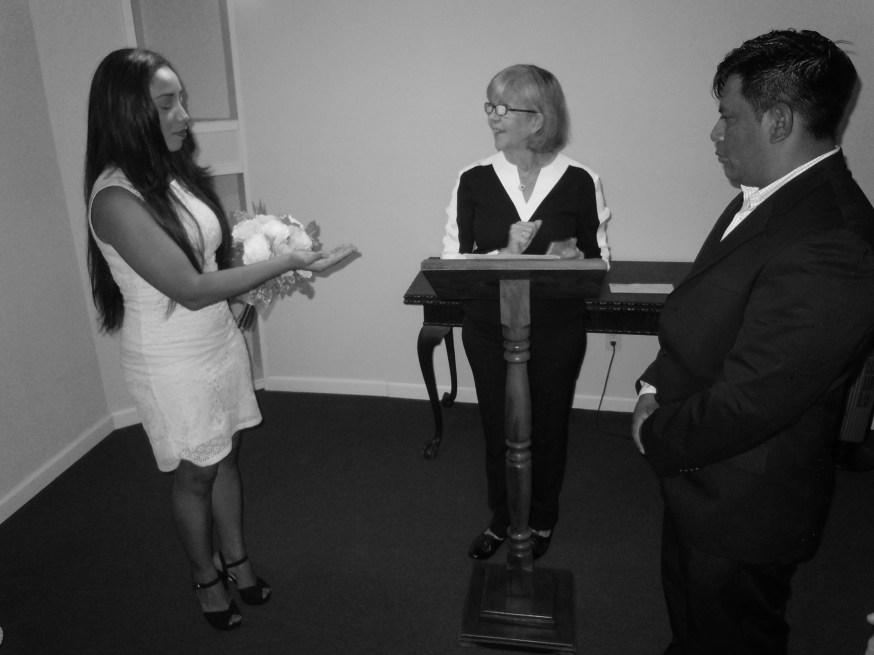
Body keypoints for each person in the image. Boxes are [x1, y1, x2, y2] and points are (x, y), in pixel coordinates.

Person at [84, 48, 356, 630]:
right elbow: (188, 288)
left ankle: (237, 560)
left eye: (180, 100)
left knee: (227, 454)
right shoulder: (114, 199)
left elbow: (208, 261)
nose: (184, 115)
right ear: (128, 113)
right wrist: (285, 261)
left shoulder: (170, 173)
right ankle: (205, 576)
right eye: (167, 104)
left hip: (216, 339)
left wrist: (247, 289)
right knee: (196, 471)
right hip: (171, 359)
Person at [631, 29, 874, 655]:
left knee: (732, 635)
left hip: (744, 502)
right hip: (704, 475)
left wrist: (655, 433)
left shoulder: (834, 241)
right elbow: (705, 315)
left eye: (727, 116)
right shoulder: (770, 198)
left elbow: (755, 400)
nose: (715, 133)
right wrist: (654, 385)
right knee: (693, 624)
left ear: (779, 120)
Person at [441, 64, 610, 561]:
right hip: (489, 326)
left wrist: (574, 258)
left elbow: (600, 260)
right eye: (489, 106)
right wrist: (503, 254)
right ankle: (502, 518)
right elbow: (452, 260)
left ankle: (540, 518)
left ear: (537, 118)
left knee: (549, 426)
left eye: (502, 107)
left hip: (556, 328)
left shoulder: (581, 181)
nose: (491, 116)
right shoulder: (472, 179)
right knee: (498, 427)